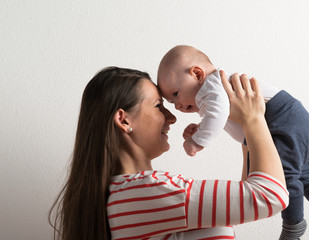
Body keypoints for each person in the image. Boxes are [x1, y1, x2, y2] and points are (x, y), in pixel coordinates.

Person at [49, 66, 289, 240]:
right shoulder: (148, 191)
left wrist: (246, 130)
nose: (173, 117)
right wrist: (254, 118)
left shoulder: (129, 195)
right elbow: (270, 196)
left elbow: (249, 194)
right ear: (123, 120)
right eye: (158, 106)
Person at [157, 45, 309, 240]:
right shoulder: (212, 94)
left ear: (197, 74)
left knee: (286, 176)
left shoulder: (213, 84)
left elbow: (217, 114)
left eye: (176, 94)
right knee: (303, 173)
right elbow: (221, 117)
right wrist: (200, 127)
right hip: (294, 122)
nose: (177, 105)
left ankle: (294, 224)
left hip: (285, 121)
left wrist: (196, 141)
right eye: (171, 102)